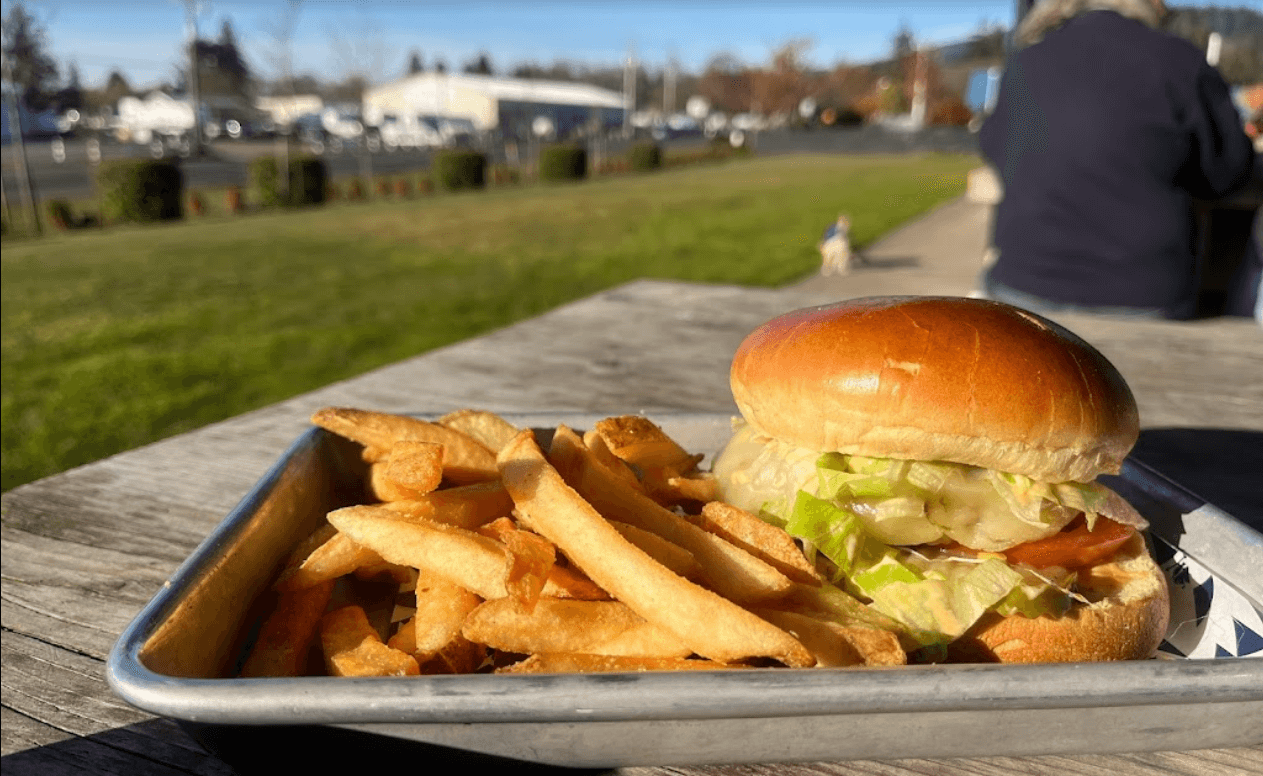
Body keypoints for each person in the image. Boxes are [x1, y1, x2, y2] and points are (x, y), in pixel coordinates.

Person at [978, 0, 1257, 319]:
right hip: (1141, 299)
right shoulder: (1178, 60)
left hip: (1020, 288)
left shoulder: (1023, 62)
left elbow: (992, 146)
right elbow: (1228, 172)